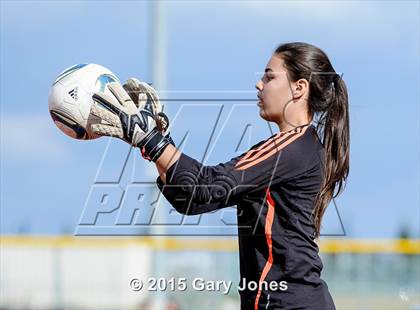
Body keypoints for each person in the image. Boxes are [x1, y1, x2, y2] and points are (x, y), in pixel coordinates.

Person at [90, 42, 349, 310]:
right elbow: (191, 200)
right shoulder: (297, 146)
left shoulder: (291, 148)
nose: (259, 85)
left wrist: (151, 140)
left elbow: (206, 186)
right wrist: (156, 141)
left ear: (299, 88)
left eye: (269, 76)